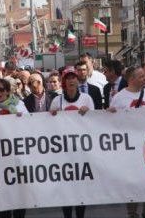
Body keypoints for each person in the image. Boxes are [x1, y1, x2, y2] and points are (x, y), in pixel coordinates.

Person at [110, 66, 145, 218]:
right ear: (131, 79)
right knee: (131, 180)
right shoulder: (119, 97)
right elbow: (110, 122)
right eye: (141, 76)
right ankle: (132, 212)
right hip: (128, 147)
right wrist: (110, 113)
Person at [50, 67, 93, 218]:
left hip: (82, 151)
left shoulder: (87, 99)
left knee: (81, 187)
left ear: (77, 80)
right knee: (66, 188)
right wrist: (52, 115)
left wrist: (88, 112)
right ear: (64, 82)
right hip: (63, 153)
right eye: (68, 78)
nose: (71, 80)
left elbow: (94, 124)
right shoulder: (56, 100)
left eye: (73, 77)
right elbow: (49, 126)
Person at [0, 78, 27, 218]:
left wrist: (21, 118)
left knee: (19, 194)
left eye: (2, 89)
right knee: (4, 195)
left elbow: (30, 126)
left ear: (8, 91)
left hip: (17, 155)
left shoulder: (19, 105)